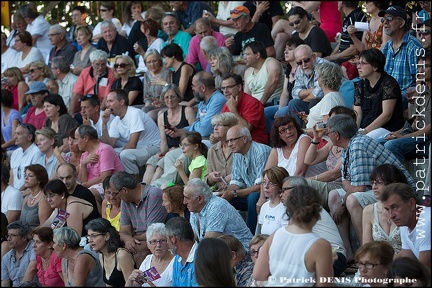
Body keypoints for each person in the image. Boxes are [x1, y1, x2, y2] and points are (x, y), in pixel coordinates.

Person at [326, 114, 416, 266]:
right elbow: (347, 183)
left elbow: (358, 187)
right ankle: (348, 252)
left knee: (352, 199)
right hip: (375, 190)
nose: (327, 135)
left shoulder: (359, 144)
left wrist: (345, 201)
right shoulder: (347, 148)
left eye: (328, 132)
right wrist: (346, 194)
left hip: (398, 191)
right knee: (334, 195)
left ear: (336, 134)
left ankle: (365, 254)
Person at [151, 71, 225, 188]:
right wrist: (185, 129)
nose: (191, 89)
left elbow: (205, 129)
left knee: (182, 154)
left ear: (202, 88)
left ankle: (159, 187)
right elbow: (199, 126)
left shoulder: (217, 100)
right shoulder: (202, 101)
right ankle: (168, 189)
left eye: (193, 86)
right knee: (168, 156)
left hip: (210, 140)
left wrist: (186, 129)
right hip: (199, 138)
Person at [252, 185, 335, 286]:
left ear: (288, 209)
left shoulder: (275, 235)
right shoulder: (321, 246)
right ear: (317, 212)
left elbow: (258, 275)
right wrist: (329, 263)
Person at [280, 176, 348, 277]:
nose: (281, 194)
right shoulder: (304, 208)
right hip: (320, 256)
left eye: (284, 190)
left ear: (297, 189)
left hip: (334, 257)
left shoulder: (306, 210)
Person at [109, 171, 167, 267]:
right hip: (140, 238)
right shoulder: (125, 201)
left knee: (136, 249)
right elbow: (123, 231)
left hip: (157, 240)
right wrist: (128, 239)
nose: (115, 197)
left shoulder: (153, 195)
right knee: (109, 248)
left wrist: (132, 237)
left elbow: (152, 233)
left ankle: (143, 281)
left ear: (124, 190)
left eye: (116, 193)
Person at [141, 84, 195, 185]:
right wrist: (163, 152)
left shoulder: (187, 110)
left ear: (178, 97)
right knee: (151, 163)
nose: (169, 100)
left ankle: (151, 193)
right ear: (163, 99)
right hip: (169, 149)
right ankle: (144, 192)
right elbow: (163, 141)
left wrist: (180, 133)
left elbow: (195, 133)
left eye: (172, 96)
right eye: (166, 97)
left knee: (160, 167)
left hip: (183, 148)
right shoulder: (162, 116)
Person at [383, 50, 431, 164]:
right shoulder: (421, 92)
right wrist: (398, 133)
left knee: (391, 145)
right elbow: (413, 122)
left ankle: (403, 181)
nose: (420, 71)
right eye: (419, 67)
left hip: (427, 140)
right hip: (416, 136)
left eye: (425, 67)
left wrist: (405, 137)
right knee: (377, 143)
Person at [101, 89, 160, 181]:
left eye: (111, 101)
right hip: (140, 148)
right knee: (107, 152)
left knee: (125, 154)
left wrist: (117, 156)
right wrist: (104, 124)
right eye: (107, 101)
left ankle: (133, 185)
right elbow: (109, 145)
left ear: (122, 102)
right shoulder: (116, 120)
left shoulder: (134, 113)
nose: (107, 105)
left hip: (154, 146)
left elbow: (132, 144)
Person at [222, 125, 271, 233]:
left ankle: (250, 237)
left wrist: (234, 193)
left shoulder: (261, 152)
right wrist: (227, 193)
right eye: (228, 141)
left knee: (253, 197)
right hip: (248, 194)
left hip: (267, 194)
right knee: (222, 200)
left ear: (244, 139)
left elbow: (261, 187)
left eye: (232, 140)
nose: (229, 144)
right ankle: (231, 236)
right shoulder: (237, 153)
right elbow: (236, 182)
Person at [185, 178, 253, 250]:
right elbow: (193, 238)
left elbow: (208, 243)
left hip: (242, 254)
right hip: (222, 254)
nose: (184, 202)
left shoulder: (217, 206)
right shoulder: (194, 208)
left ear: (199, 199)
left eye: (187, 198)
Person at [353, 48, 404, 140]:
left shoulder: (388, 83)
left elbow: (386, 115)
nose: (358, 67)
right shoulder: (360, 85)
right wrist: (355, 132)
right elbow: (357, 114)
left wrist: (365, 132)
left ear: (375, 67)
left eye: (362, 63)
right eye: (358, 63)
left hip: (387, 129)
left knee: (360, 141)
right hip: (364, 130)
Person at [75, 124, 124, 213]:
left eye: (77, 139)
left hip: (110, 185)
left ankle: (100, 222)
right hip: (92, 187)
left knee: (88, 194)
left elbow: (104, 178)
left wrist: (85, 186)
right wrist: (83, 165)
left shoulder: (105, 149)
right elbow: (83, 181)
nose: (75, 143)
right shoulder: (84, 155)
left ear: (85, 138)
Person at [362, 164, 410, 255]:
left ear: (393, 183)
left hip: (404, 264)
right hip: (377, 264)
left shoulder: (407, 209)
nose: (374, 187)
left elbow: (414, 248)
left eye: (379, 182)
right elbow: (367, 248)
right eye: (372, 182)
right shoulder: (369, 211)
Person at [381, 183, 431, 267]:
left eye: (395, 207)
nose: (391, 215)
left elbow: (424, 269)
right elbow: (407, 254)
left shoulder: (427, 220)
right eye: (387, 209)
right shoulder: (405, 221)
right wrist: (380, 267)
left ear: (411, 204)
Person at [264, 37, 304, 133]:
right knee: (264, 113)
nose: (285, 52)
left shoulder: (303, 67)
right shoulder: (289, 69)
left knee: (282, 112)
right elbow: (285, 93)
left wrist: (280, 111)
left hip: (298, 104)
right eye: (285, 49)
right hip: (288, 104)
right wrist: (279, 109)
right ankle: (276, 139)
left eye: (290, 49)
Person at [285, 44, 330, 126]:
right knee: (293, 103)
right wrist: (312, 91)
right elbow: (294, 93)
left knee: (313, 102)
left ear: (313, 57)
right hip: (314, 101)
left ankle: (309, 132)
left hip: (328, 101)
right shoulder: (301, 68)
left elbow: (319, 94)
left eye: (306, 60)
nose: (303, 64)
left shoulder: (323, 66)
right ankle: (300, 134)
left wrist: (304, 95)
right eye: (299, 62)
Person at [85, 218, 135, 287]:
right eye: (88, 236)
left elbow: (132, 285)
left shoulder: (122, 254)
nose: (90, 240)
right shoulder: (101, 256)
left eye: (94, 236)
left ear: (107, 236)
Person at [220, 73, 268, 144]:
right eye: (223, 88)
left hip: (253, 144)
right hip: (233, 143)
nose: (225, 91)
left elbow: (245, 130)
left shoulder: (253, 103)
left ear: (239, 87)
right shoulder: (228, 104)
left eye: (229, 87)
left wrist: (233, 110)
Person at [126, 222, 175, 287]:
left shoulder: (175, 262)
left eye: (162, 240)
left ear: (168, 242)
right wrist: (130, 279)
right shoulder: (148, 259)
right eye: (154, 241)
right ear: (148, 245)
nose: (158, 245)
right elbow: (136, 285)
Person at [69, 49, 117, 115]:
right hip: (86, 105)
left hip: (103, 106)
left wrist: (99, 114)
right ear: (91, 63)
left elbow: (107, 97)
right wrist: (72, 113)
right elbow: (76, 93)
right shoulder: (85, 72)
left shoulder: (111, 74)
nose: (100, 67)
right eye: (97, 64)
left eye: (103, 64)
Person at [304, 61, 346, 134]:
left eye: (319, 75)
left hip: (322, 141)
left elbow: (327, 127)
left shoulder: (329, 99)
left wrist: (303, 131)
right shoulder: (335, 95)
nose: (317, 78)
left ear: (324, 78)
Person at [205, 112, 238, 192]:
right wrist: (211, 178)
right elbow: (207, 179)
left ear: (231, 127)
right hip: (219, 193)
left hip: (239, 191)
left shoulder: (239, 147)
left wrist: (234, 176)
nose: (215, 128)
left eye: (219, 125)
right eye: (214, 125)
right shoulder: (212, 150)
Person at [243, 41, 284, 106]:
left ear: (257, 55)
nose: (244, 57)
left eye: (247, 54)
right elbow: (247, 95)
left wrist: (260, 104)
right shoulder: (247, 72)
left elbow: (273, 81)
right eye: (244, 54)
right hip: (255, 107)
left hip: (272, 104)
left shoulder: (271, 62)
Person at [165, 216, 199, 287]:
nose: (167, 243)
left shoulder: (200, 259)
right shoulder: (177, 259)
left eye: (166, 239)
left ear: (173, 239)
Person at [1, 221, 36, 287]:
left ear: (24, 238)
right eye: (8, 235)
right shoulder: (6, 258)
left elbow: (32, 269)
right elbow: (5, 283)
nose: (8, 239)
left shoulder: (34, 247)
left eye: (13, 235)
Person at [19, 164, 53, 229]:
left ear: (39, 180)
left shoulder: (44, 199)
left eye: (30, 176)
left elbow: (43, 227)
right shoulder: (26, 198)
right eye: (25, 175)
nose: (26, 178)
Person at [256, 166, 289, 235]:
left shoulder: (285, 209)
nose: (266, 186)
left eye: (271, 183)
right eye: (264, 182)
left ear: (281, 186)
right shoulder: (264, 206)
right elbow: (261, 234)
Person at [9, 123, 40, 190]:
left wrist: (17, 193)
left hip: (28, 192)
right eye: (15, 133)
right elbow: (11, 177)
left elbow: (34, 179)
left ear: (29, 137)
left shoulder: (37, 153)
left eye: (18, 134)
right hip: (16, 193)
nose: (15, 137)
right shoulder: (15, 153)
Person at [141, 49, 172, 115]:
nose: (152, 64)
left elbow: (171, 91)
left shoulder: (167, 72)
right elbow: (146, 96)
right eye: (149, 62)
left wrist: (161, 101)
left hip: (166, 103)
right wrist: (149, 104)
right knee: (141, 111)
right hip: (152, 104)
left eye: (154, 61)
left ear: (159, 61)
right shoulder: (147, 75)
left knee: (148, 113)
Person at [1, 89, 23, 154]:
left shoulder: (14, 115)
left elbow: (15, 139)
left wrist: (2, 147)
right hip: (8, 150)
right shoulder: (2, 114)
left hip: (17, 151)